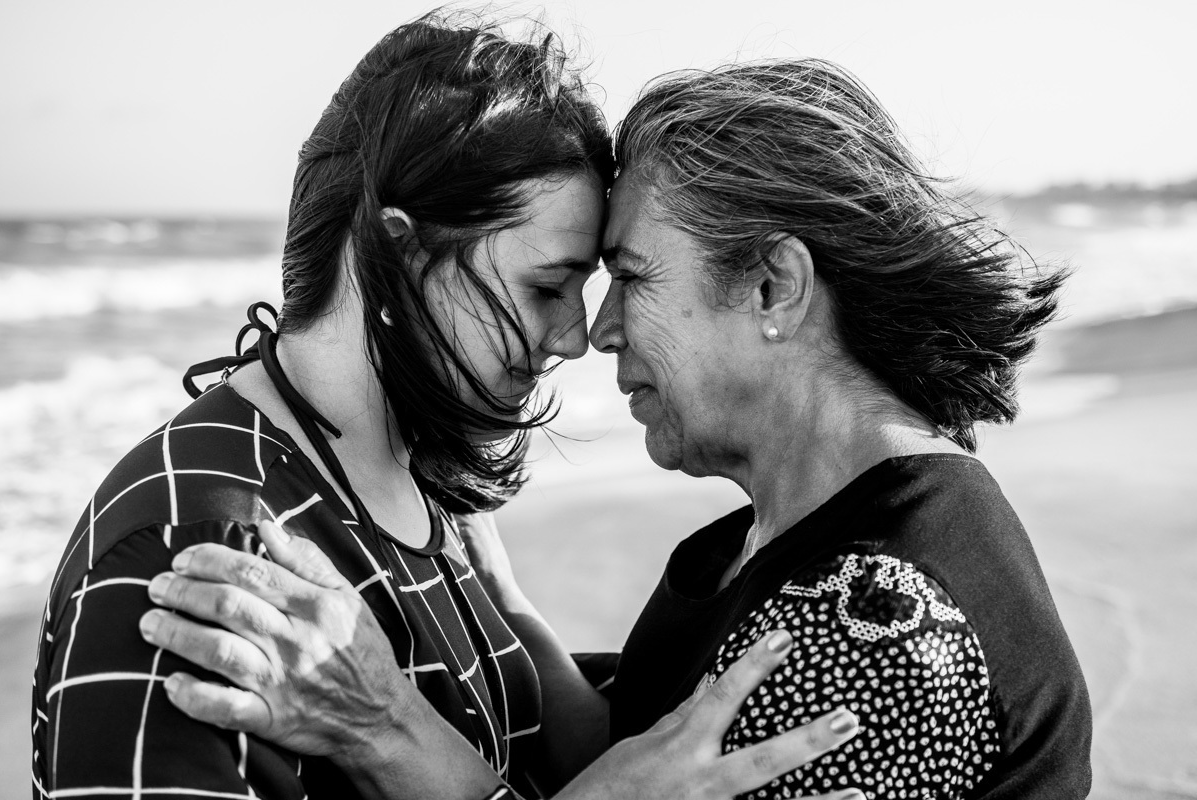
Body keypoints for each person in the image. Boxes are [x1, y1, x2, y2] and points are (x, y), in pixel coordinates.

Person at [131, 56, 1091, 800]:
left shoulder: (879, 626)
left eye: (631, 277)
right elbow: (632, 756)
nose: (598, 331)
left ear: (773, 287)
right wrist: (494, 590)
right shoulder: (780, 529)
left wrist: (381, 726)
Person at [31, 14, 864, 800]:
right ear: (399, 248)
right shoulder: (203, 553)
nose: (574, 338)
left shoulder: (425, 498)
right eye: (548, 285)